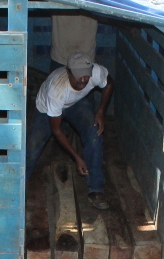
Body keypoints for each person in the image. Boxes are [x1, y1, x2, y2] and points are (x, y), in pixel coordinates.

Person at [25, 52, 115, 210]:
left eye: (85, 76)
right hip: (46, 108)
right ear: (68, 72)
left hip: (76, 103)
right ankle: (17, 189)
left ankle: (96, 189)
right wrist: (77, 157)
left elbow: (109, 84)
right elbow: (56, 130)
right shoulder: (56, 90)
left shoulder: (96, 72)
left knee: (95, 135)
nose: (83, 80)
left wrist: (101, 111)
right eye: (78, 76)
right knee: (31, 150)